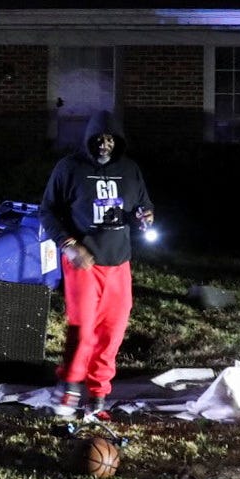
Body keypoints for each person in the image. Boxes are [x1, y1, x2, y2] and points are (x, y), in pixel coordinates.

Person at [39, 110, 154, 418]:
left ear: (119, 141)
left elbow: (141, 205)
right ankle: (70, 387)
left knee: (113, 330)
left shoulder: (130, 170)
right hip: (83, 262)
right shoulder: (69, 168)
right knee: (83, 327)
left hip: (119, 262)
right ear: (89, 139)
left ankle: (99, 393)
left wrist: (145, 216)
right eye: (99, 139)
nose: (105, 144)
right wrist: (70, 245)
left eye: (111, 139)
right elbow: (47, 211)